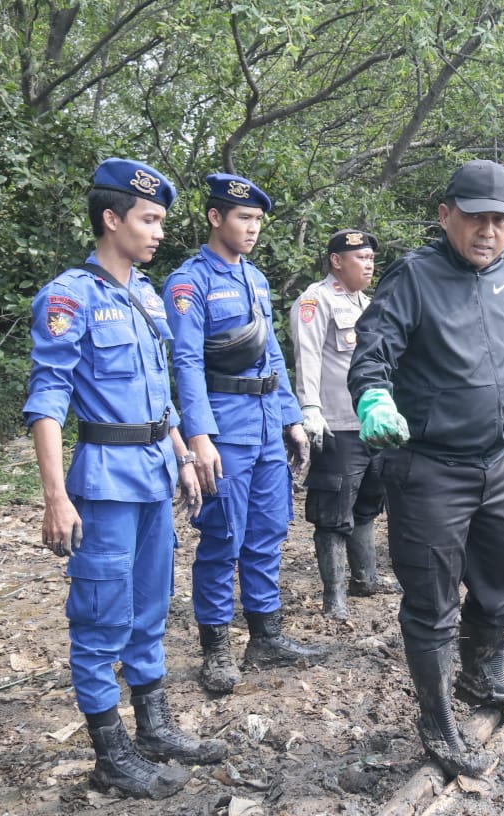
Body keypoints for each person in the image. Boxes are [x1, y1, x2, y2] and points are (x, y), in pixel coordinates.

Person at [347, 159, 504, 778]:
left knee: (502, 576)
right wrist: (374, 397)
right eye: (475, 217)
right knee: (432, 601)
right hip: (428, 469)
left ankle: (483, 673)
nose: (488, 231)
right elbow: (373, 355)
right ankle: (437, 721)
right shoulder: (413, 278)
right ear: (446, 215)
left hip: (494, 464)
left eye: (501, 221)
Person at [24, 158, 226, 799]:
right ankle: (110, 754)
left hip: (153, 476)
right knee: (99, 617)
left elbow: (158, 394)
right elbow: (47, 400)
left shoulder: (143, 294)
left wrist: (183, 455)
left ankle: (154, 726)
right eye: (149, 219)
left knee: (148, 609)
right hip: (104, 483)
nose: (159, 231)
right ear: (112, 219)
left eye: (161, 219)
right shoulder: (68, 297)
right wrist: (55, 497)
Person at [164, 173, 321, 695]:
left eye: (257, 220)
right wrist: (199, 436)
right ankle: (215, 649)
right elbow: (185, 363)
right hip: (224, 427)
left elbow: (271, 353)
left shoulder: (254, 278)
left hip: (263, 426)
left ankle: (265, 634)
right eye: (243, 218)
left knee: (268, 529)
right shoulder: (190, 282)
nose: (253, 228)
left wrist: (291, 418)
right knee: (222, 536)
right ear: (215, 218)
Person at [289, 229, 394, 620]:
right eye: (360, 257)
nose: (368, 264)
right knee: (333, 512)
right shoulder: (316, 300)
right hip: (336, 423)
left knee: (367, 502)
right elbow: (308, 356)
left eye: (370, 257)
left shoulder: (367, 303)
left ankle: (365, 577)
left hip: (370, 424)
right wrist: (310, 407)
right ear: (337, 260)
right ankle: (334, 596)